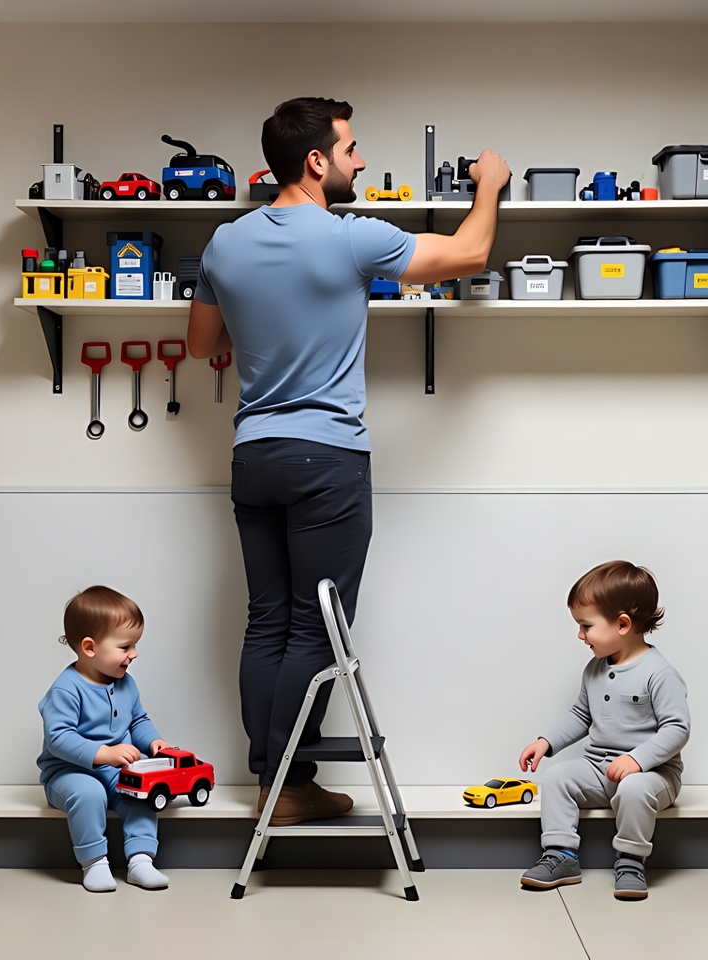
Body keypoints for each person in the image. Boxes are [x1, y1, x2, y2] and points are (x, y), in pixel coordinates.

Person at [188, 96, 511, 825]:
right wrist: (489, 182)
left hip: (254, 455)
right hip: (327, 458)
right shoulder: (349, 237)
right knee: (313, 628)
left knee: (266, 620)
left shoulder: (223, 244)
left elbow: (203, 346)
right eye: (352, 148)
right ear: (315, 161)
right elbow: (468, 255)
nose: (359, 161)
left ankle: (277, 780)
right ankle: (285, 788)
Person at [518, 561, 689, 901]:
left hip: (654, 775)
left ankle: (630, 862)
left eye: (586, 626)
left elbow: (677, 729)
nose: (581, 636)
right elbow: (581, 715)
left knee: (634, 789)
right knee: (557, 777)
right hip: (600, 770)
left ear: (622, 624)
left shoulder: (659, 673)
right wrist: (546, 741)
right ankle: (561, 856)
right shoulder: (594, 669)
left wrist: (638, 761)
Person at [37, 586, 171, 892]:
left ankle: (140, 860)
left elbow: (138, 719)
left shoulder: (126, 684)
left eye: (135, 645)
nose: (133, 654)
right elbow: (59, 738)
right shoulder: (66, 689)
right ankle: (94, 863)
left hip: (114, 772)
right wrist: (104, 753)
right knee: (88, 793)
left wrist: (153, 742)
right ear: (89, 647)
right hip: (68, 772)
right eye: (125, 647)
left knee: (141, 794)